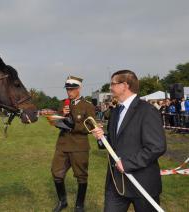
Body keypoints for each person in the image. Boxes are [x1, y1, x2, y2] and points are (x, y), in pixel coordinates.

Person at [91, 70, 166, 212]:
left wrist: (128, 163)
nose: (110, 88)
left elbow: (157, 147)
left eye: (112, 84)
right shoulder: (115, 111)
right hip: (116, 185)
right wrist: (102, 138)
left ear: (124, 85)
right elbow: (114, 142)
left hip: (143, 185)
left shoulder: (147, 111)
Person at [51, 76, 95, 212]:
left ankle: (79, 205)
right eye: (68, 89)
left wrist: (74, 125)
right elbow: (55, 121)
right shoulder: (63, 103)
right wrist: (61, 116)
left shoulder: (87, 105)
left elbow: (90, 126)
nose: (69, 92)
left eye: (72, 89)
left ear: (79, 89)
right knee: (56, 172)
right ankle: (62, 201)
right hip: (63, 144)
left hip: (79, 146)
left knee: (81, 176)